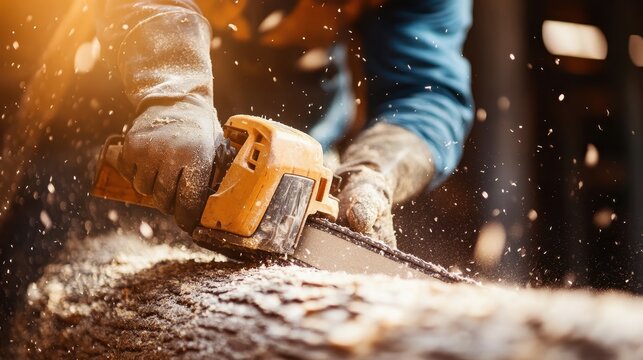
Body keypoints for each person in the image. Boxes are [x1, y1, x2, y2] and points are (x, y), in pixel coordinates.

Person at [94, 0, 474, 248]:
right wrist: (173, 93)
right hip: (124, 89)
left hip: (299, 97)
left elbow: (427, 93)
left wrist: (378, 168)